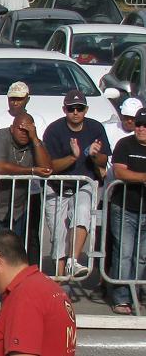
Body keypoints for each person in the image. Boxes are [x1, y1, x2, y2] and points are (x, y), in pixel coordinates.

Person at [0, 111, 50, 308]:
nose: (24, 133)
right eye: (21, 129)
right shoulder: (0, 137)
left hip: (18, 206)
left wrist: (35, 139)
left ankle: (14, 291)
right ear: (12, 128)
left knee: (14, 253)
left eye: (29, 130)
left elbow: (46, 168)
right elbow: (0, 168)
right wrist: (32, 171)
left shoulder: (33, 142)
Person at [42, 89, 109, 277]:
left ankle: (73, 260)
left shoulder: (96, 128)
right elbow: (50, 166)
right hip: (57, 187)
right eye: (72, 109)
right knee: (58, 238)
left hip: (84, 184)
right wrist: (73, 157)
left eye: (80, 108)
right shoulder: (54, 130)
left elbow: (103, 162)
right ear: (65, 109)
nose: (76, 112)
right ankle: (61, 283)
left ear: (86, 110)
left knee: (82, 213)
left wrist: (95, 156)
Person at [107, 109, 146, 313]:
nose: (140, 128)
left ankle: (135, 294)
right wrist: (143, 178)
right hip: (125, 208)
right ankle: (121, 297)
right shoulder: (125, 144)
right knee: (124, 253)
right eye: (138, 124)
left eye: (144, 125)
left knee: (141, 257)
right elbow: (119, 170)